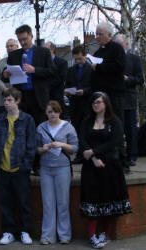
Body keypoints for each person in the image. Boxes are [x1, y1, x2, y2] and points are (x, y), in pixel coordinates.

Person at [80, 92, 132, 249]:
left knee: (110, 200)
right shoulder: (87, 121)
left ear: (106, 104)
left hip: (110, 166)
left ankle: (106, 234)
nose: (95, 105)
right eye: (93, 103)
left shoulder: (114, 121)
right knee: (92, 201)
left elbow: (115, 141)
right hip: (91, 167)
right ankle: (92, 236)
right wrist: (93, 158)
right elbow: (83, 140)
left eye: (98, 102)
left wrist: (94, 152)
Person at [0, 87, 36, 245]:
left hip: (20, 168)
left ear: (18, 101)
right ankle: (8, 232)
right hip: (3, 167)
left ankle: (25, 231)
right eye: (4, 100)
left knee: (23, 202)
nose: (6, 103)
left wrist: (26, 165)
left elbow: (31, 144)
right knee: (5, 203)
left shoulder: (28, 119)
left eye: (9, 100)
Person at [36, 100, 78, 245]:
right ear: (46, 113)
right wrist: (44, 149)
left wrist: (61, 144)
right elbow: (36, 149)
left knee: (63, 203)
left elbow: (75, 148)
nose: (52, 114)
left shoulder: (68, 127)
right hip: (46, 168)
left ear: (60, 112)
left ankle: (64, 235)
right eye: (49, 111)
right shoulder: (41, 127)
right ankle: (47, 235)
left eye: (55, 111)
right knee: (48, 203)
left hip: (62, 168)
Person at [5, 24, 55, 125]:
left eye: (25, 39)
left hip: (39, 97)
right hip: (20, 98)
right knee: (22, 128)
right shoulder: (13, 55)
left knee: (40, 128)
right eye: (20, 40)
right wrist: (6, 74)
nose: (23, 42)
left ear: (31, 36)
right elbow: (6, 76)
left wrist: (35, 70)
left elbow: (52, 72)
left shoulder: (44, 52)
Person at [115, 34, 145, 167]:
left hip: (129, 98)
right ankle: (119, 154)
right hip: (115, 99)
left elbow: (140, 79)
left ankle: (132, 154)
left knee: (130, 128)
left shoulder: (134, 59)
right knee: (117, 127)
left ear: (126, 44)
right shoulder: (112, 60)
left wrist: (128, 79)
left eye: (120, 45)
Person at [91, 22, 126, 123]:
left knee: (115, 123)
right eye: (96, 34)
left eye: (100, 34)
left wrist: (99, 67)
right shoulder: (97, 53)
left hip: (114, 95)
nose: (97, 37)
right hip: (101, 96)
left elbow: (119, 67)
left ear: (109, 35)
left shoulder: (117, 49)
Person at [65, 46, 92, 164]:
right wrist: (67, 91)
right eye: (75, 59)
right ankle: (79, 154)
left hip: (87, 103)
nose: (77, 61)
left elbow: (95, 85)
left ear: (85, 56)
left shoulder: (91, 69)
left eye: (80, 59)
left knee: (86, 129)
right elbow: (68, 84)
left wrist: (85, 91)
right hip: (75, 103)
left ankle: (88, 153)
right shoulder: (71, 70)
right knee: (76, 129)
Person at [0, 39, 19, 113]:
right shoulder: (0, 63)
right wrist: (4, 90)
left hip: (19, 98)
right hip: (4, 100)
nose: (9, 48)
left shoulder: (23, 60)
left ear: (17, 46)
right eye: (7, 46)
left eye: (11, 46)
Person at [44, 42, 68, 111]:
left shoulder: (62, 62)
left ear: (52, 50)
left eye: (45, 49)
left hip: (57, 95)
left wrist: (47, 85)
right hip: (45, 97)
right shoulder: (42, 63)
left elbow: (62, 77)